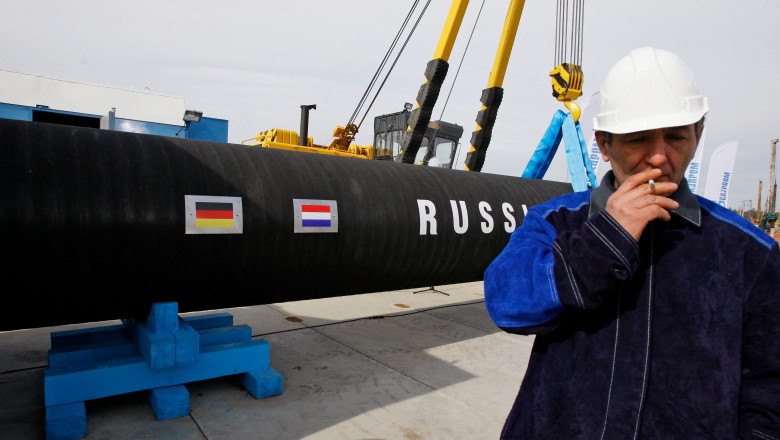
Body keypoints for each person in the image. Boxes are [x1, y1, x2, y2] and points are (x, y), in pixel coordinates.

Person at [485, 47, 780, 439]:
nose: (658, 156)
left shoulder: (750, 253)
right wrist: (605, 240)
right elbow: (507, 305)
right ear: (604, 144)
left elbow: (769, 388)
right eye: (638, 138)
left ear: (698, 135)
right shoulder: (556, 220)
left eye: (676, 136)